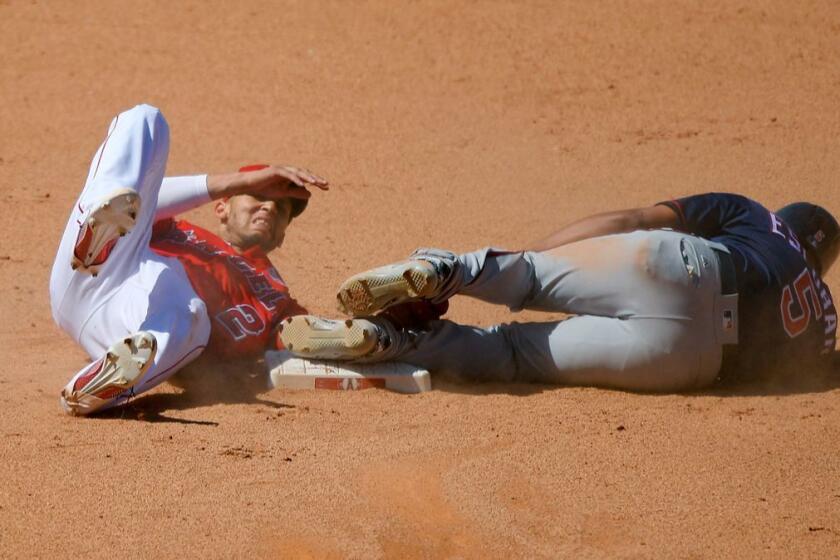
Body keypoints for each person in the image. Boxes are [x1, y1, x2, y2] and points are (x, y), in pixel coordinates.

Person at [277, 193, 839, 391]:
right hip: (683, 360)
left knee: (529, 277)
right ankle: (384, 342)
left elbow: (630, 217)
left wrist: (539, 258)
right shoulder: (823, 325)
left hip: (688, 267)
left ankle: (444, 271)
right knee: (512, 356)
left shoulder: (760, 219)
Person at [50, 104, 327, 416]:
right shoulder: (175, 227)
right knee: (146, 119)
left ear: (283, 235)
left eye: (282, 209)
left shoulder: (275, 296)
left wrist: (382, 330)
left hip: (131, 319)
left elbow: (314, 337)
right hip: (92, 267)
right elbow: (146, 199)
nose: (270, 208)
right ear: (222, 207)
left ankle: (90, 387)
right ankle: (99, 234)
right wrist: (239, 181)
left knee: (192, 313)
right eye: (259, 196)